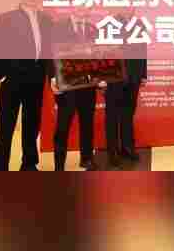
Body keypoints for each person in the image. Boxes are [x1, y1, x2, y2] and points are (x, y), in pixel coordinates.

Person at [0, 0, 52, 171]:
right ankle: (0, 167)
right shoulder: (6, 18)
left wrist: (52, 76)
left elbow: (49, 51)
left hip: (36, 79)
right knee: (6, 125)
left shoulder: (46, 20)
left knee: (32, 124)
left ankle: (29, 164)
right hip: (12, 79)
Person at [49, 9, 101, 171]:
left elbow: (97, 55)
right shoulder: (58, 26)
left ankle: (86, 159)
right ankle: (59, 166)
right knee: (63, 127)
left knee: (87, 124)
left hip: (87, 86)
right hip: (67, 86)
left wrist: (101, 76)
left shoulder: (92, 28)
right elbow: (50, 52)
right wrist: (53, 77)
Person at [104, 12, 148, 169]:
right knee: (112, 116)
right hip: (114, 77)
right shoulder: (110, 23)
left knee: (128, 114)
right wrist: (103, 76)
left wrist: (143, 74)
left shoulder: (139, 23)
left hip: (134, 76)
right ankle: (113, 152)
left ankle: (127, 147)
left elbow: (143, 49)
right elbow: (104, 51)